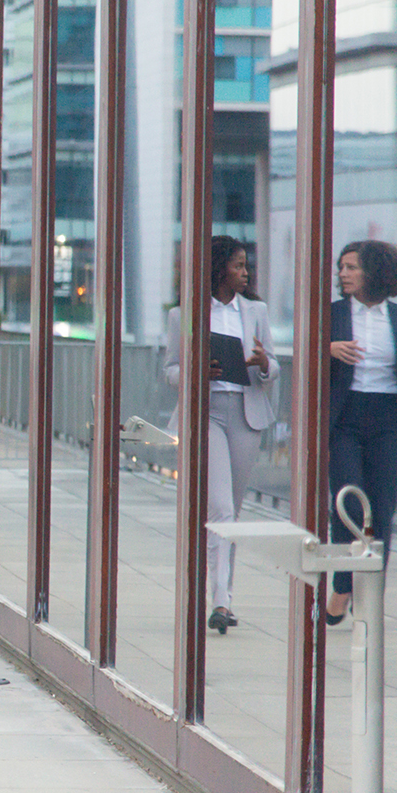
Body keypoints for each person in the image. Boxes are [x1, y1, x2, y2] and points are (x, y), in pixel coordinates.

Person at [165, 237, 279, 635]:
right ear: (218, 269)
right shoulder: (184, 315)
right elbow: (171, 370)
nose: (245, 273)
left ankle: (222, 593)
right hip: (206, 412)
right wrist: (196, 371)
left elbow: (273, 366)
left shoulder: (256, 311)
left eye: (246, 266)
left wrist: (263, 364)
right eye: (238, 266)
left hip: (246, 413)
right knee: (220, 508)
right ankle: (220, 601)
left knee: (233, 509)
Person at [324, 239, 397, 625]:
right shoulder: (331, 314)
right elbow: (304, 357)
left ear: (375, 272)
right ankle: (342, 586)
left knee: (381, 509)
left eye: (351, 267)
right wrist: (327, 347)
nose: (343, 274)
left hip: (390, 419)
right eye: (341, 267)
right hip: (345, 417)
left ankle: (368, 595)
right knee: (348, 503)